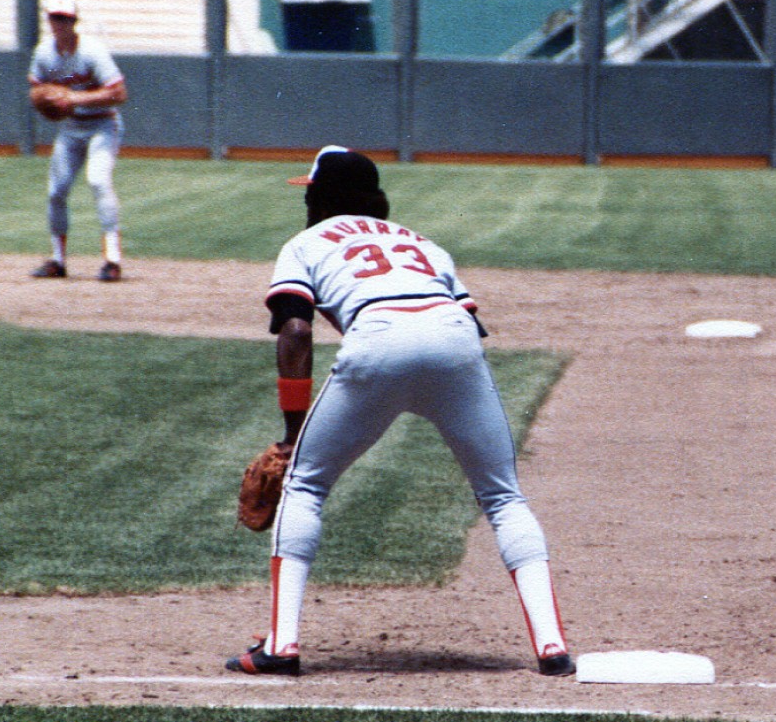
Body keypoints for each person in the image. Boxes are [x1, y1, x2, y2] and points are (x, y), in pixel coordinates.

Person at [226, 146, 574, 677]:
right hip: (456, 344)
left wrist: (294, 430)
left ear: (319, 198)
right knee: (503, 496)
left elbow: (296, 331)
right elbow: (465, 326)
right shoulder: (425, 245)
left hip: (378, 341)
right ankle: (552, 648)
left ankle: (282, 645)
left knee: (304, 485)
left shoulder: (304, 243)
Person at [27, 0, 128, 282]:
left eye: (64, 18)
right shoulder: (44, 53)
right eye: (54, 17)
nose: (58, 23)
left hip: (102, 125)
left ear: (74, 21)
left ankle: (112, 260)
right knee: (56, 191)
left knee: (98, 180)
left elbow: (119, 93)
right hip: (71, 128)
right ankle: (58, 261)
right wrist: (47, 99)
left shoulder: (92, 51)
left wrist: (74, 97)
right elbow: (36, 87)